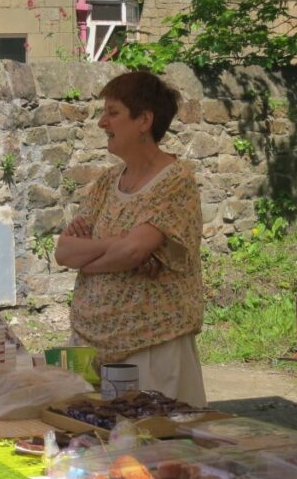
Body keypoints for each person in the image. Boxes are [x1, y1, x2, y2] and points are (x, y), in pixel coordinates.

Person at [55, 71, 206, 406]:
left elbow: (135, 250)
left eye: (112, 113)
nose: (101, 123)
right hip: (90, 343)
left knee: (154, 451)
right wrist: (118, 247)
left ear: (144, 121)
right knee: (93, 451)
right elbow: (64, 251)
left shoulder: (175, 181)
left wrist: (93, 260)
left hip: (152, 349)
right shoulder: (107, 183)